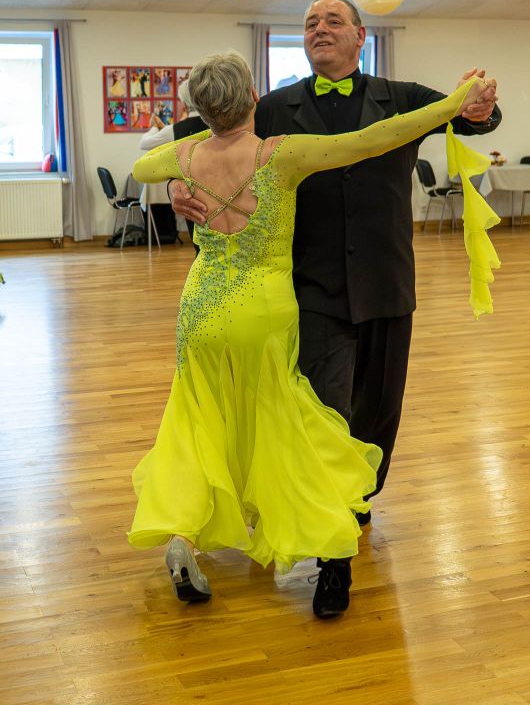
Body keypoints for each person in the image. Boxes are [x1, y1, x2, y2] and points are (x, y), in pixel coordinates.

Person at [129, 50, 494, 618]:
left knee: (196, 421)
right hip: (263, 310)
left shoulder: (183, 155)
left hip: (199, 309)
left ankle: (181, 533)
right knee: (289, 424)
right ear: (254, 98)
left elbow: (142, 169)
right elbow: (372, 140)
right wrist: (451, 105)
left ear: (200, 108)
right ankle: (331, 545)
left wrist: (184, 174)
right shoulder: (282, 154)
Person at [168, 0, 502, 525]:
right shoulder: (274, 106)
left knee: (380, 404)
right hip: (312, 283)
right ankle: (329, 511)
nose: (319, 28)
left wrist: (480, 106)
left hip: (386, 279)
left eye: (332, 20)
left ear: (360, 36)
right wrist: (175, 184)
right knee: (324, 404)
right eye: (310, 23)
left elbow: (470, 118)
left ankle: (361, 495)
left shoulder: (402, 98)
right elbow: (198, 139)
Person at [139, 80, 205, 250]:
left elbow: (144, 143)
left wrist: (155, 127)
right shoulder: (218, 125)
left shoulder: (175, 130)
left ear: (184, 104)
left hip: (190, 193)